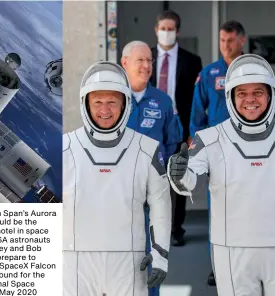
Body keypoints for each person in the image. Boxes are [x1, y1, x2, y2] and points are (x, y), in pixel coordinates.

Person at [168, 53, 275, 295]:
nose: (250, 100)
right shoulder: (210, 138)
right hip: (232, 251)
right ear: (230, 97)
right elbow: (189, 182)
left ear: (270, 94)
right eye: (242, 93)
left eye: (258, 92)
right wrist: (179, 173)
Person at [62, 61, 171, 296]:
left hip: (129, 263)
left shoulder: (147, 149)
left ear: (125, 104)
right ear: (85, 104)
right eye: (98, 102)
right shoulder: (65, 148)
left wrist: (160, 255)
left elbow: (160, 204)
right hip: (75, 263)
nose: (105, 110)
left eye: (112, 102)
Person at [121, 40, 182, 296]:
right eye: (140, 60)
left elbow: (172, 142)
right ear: (124, 63)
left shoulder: (163, 101)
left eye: (149, 60)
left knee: (153, 255)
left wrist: (161, 175)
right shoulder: (111, 99)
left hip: (151, 192)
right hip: (118, 192)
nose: (147, 66)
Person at [188, 20, 246, 286]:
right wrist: (200, 148)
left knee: (248, 210)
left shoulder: (253, 70)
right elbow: (197, 115)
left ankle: (246, 264)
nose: (226, 46)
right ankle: (218, 265)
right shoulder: (209, 74)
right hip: (218, 154)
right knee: (219, 212)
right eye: (223, 40)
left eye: (231, 40)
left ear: (242, 41)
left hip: (248, 153)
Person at [150, 10, 202, 247]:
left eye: (171, 29)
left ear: (177, 31)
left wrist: (192, 130)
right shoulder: (146, 58)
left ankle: (175, 229)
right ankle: (151, 227)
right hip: (150, 123)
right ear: (156, 30)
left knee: (177, 174)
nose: (167, 33)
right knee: (149, 175)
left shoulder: (192, 61)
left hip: (178, 124)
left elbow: (194, 99)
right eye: (163, 28)